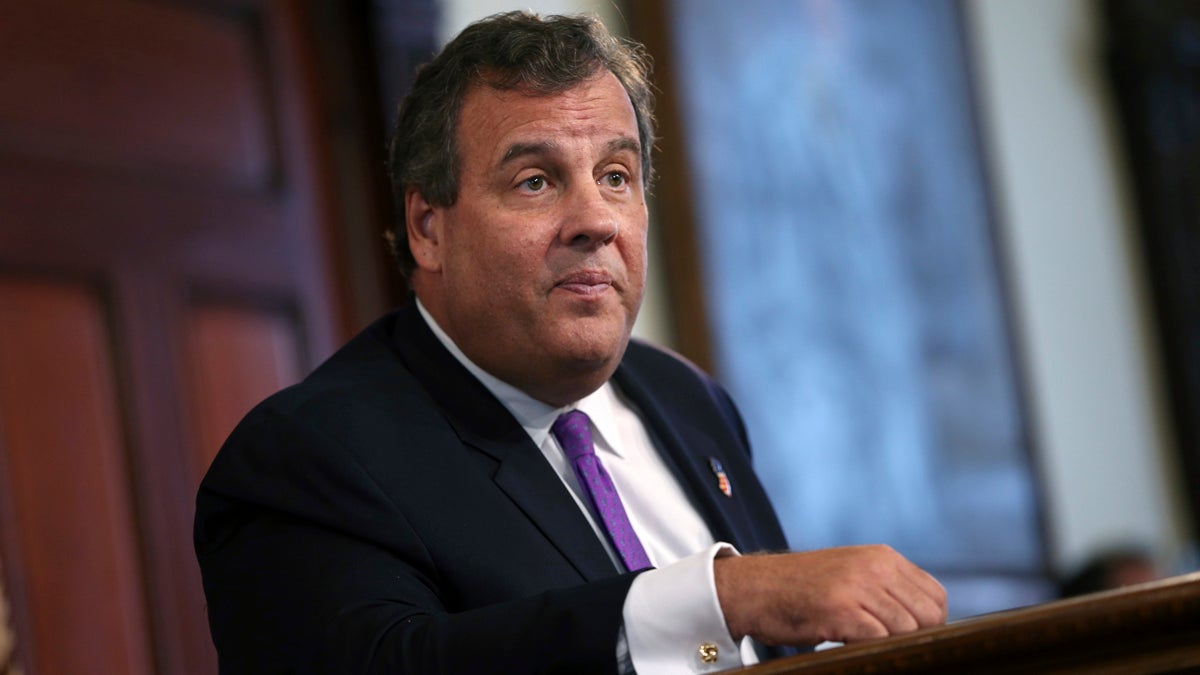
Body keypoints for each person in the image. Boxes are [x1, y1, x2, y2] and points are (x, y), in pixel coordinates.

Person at [194, 11, 947, 674]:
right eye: (535, 181)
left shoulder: (690, 403)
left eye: (616, 175)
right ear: (429, 226)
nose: (597, 220)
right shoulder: (311, 455)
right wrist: (719, 595)